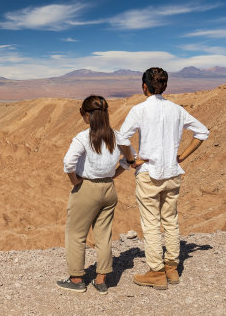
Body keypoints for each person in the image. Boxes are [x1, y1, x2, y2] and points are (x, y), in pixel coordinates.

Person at [120, 67, 209, 289]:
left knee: (150, 224)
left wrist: (132, 160)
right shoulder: (177, 110)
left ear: (144, 87)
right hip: (172, 173)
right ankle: (172, 267)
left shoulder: (139, 110)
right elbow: (202, 132)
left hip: (149, 173)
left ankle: (156, 272)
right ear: (165, 86)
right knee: (170, 220)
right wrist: (180, 158)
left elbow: (122, 139)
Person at [57, 95, 135, 295]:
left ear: (87, 115)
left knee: (76, 234)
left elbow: (68, 163)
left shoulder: (83, 137)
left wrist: (75, 182)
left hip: (87, 189)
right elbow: (130, 159)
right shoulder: (117, 136)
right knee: (104, 235)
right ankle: (101, 281)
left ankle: (76, 279)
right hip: (109, 189)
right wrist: (114, 175)